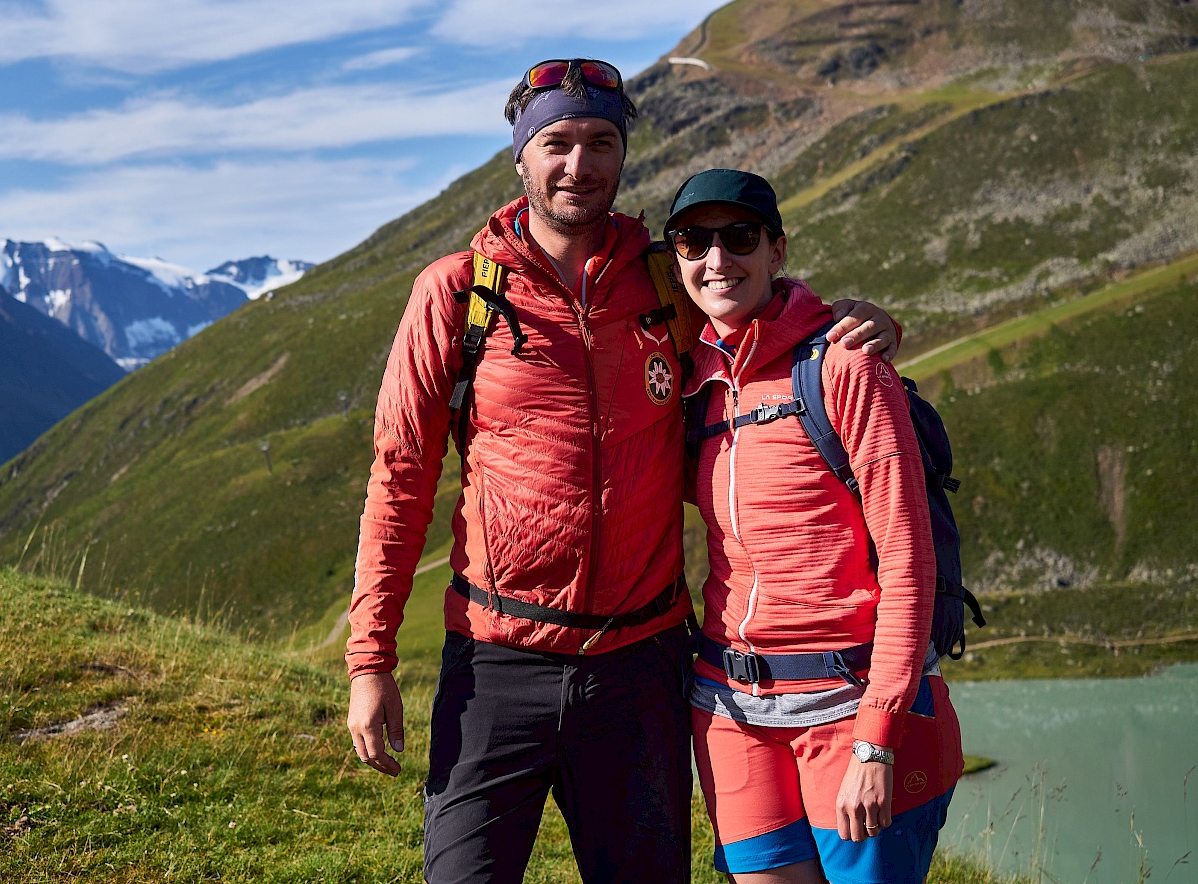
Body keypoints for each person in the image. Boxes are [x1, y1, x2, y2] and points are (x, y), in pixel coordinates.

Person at [345, 60, 899, 884]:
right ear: (522, 159)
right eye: (558, 142)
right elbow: (401, 476)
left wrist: (858, 322)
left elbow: (757, 319)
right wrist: (370, 658)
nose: (580, 163)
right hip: (496, 662)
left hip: (639, 668)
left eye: (601, 141)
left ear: (624, 153)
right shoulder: (458, 294)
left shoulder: (660, 280)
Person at [669, 169, 963, 884]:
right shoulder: (688, 377)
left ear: (777, 249)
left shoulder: (845, 366)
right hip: (732, 709)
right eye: (693, 240)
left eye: (740, 237)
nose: (716, 259)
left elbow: (908, 565)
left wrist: (876, 741)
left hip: (853, 711)